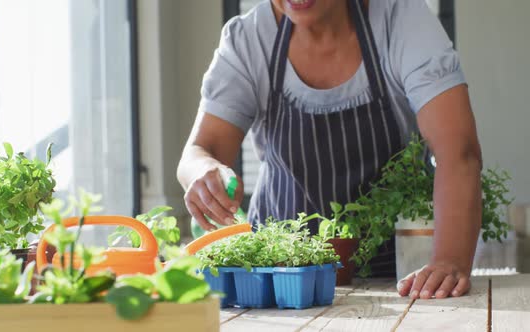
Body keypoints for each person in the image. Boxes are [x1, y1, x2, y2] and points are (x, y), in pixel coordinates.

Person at [177, 0, 482, 300]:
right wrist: (204, 171)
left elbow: (458, 151)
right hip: (283, 283)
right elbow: (203, 149)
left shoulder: (400, 21)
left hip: (398, 282)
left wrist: (448, 261)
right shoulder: (249, 39)